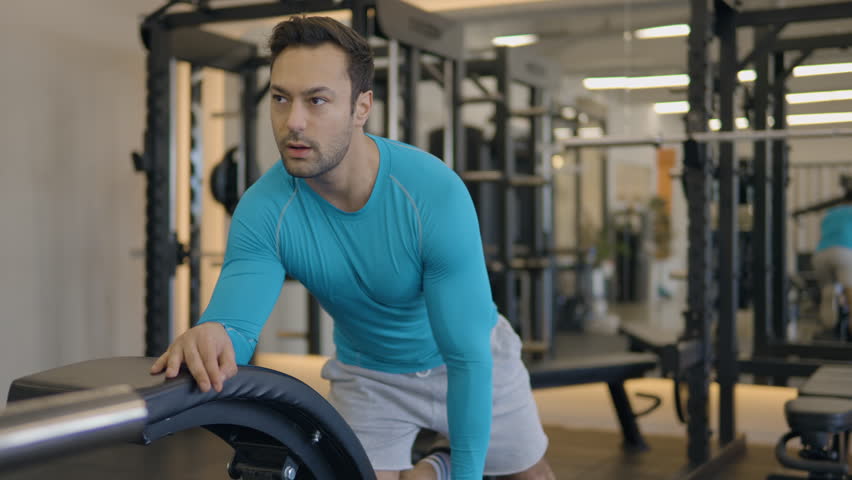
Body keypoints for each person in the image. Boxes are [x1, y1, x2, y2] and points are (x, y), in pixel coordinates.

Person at [150, 15, 555, 480]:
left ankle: (438, 467)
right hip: (370, 376)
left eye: (316, 100)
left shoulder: (431, 193)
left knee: (529, 476)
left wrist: (464, 474)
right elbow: (235, 329)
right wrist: (211, 334)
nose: (292, 122)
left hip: (466, 360)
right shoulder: (265, 209)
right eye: (280, 99)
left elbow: (465, 357)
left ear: (362, 107)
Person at [812, 203, 852, 339]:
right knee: (850, 292)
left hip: (821, 254)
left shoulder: (830, 213)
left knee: (829, 289)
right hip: (844, 252)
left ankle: (829, 325)